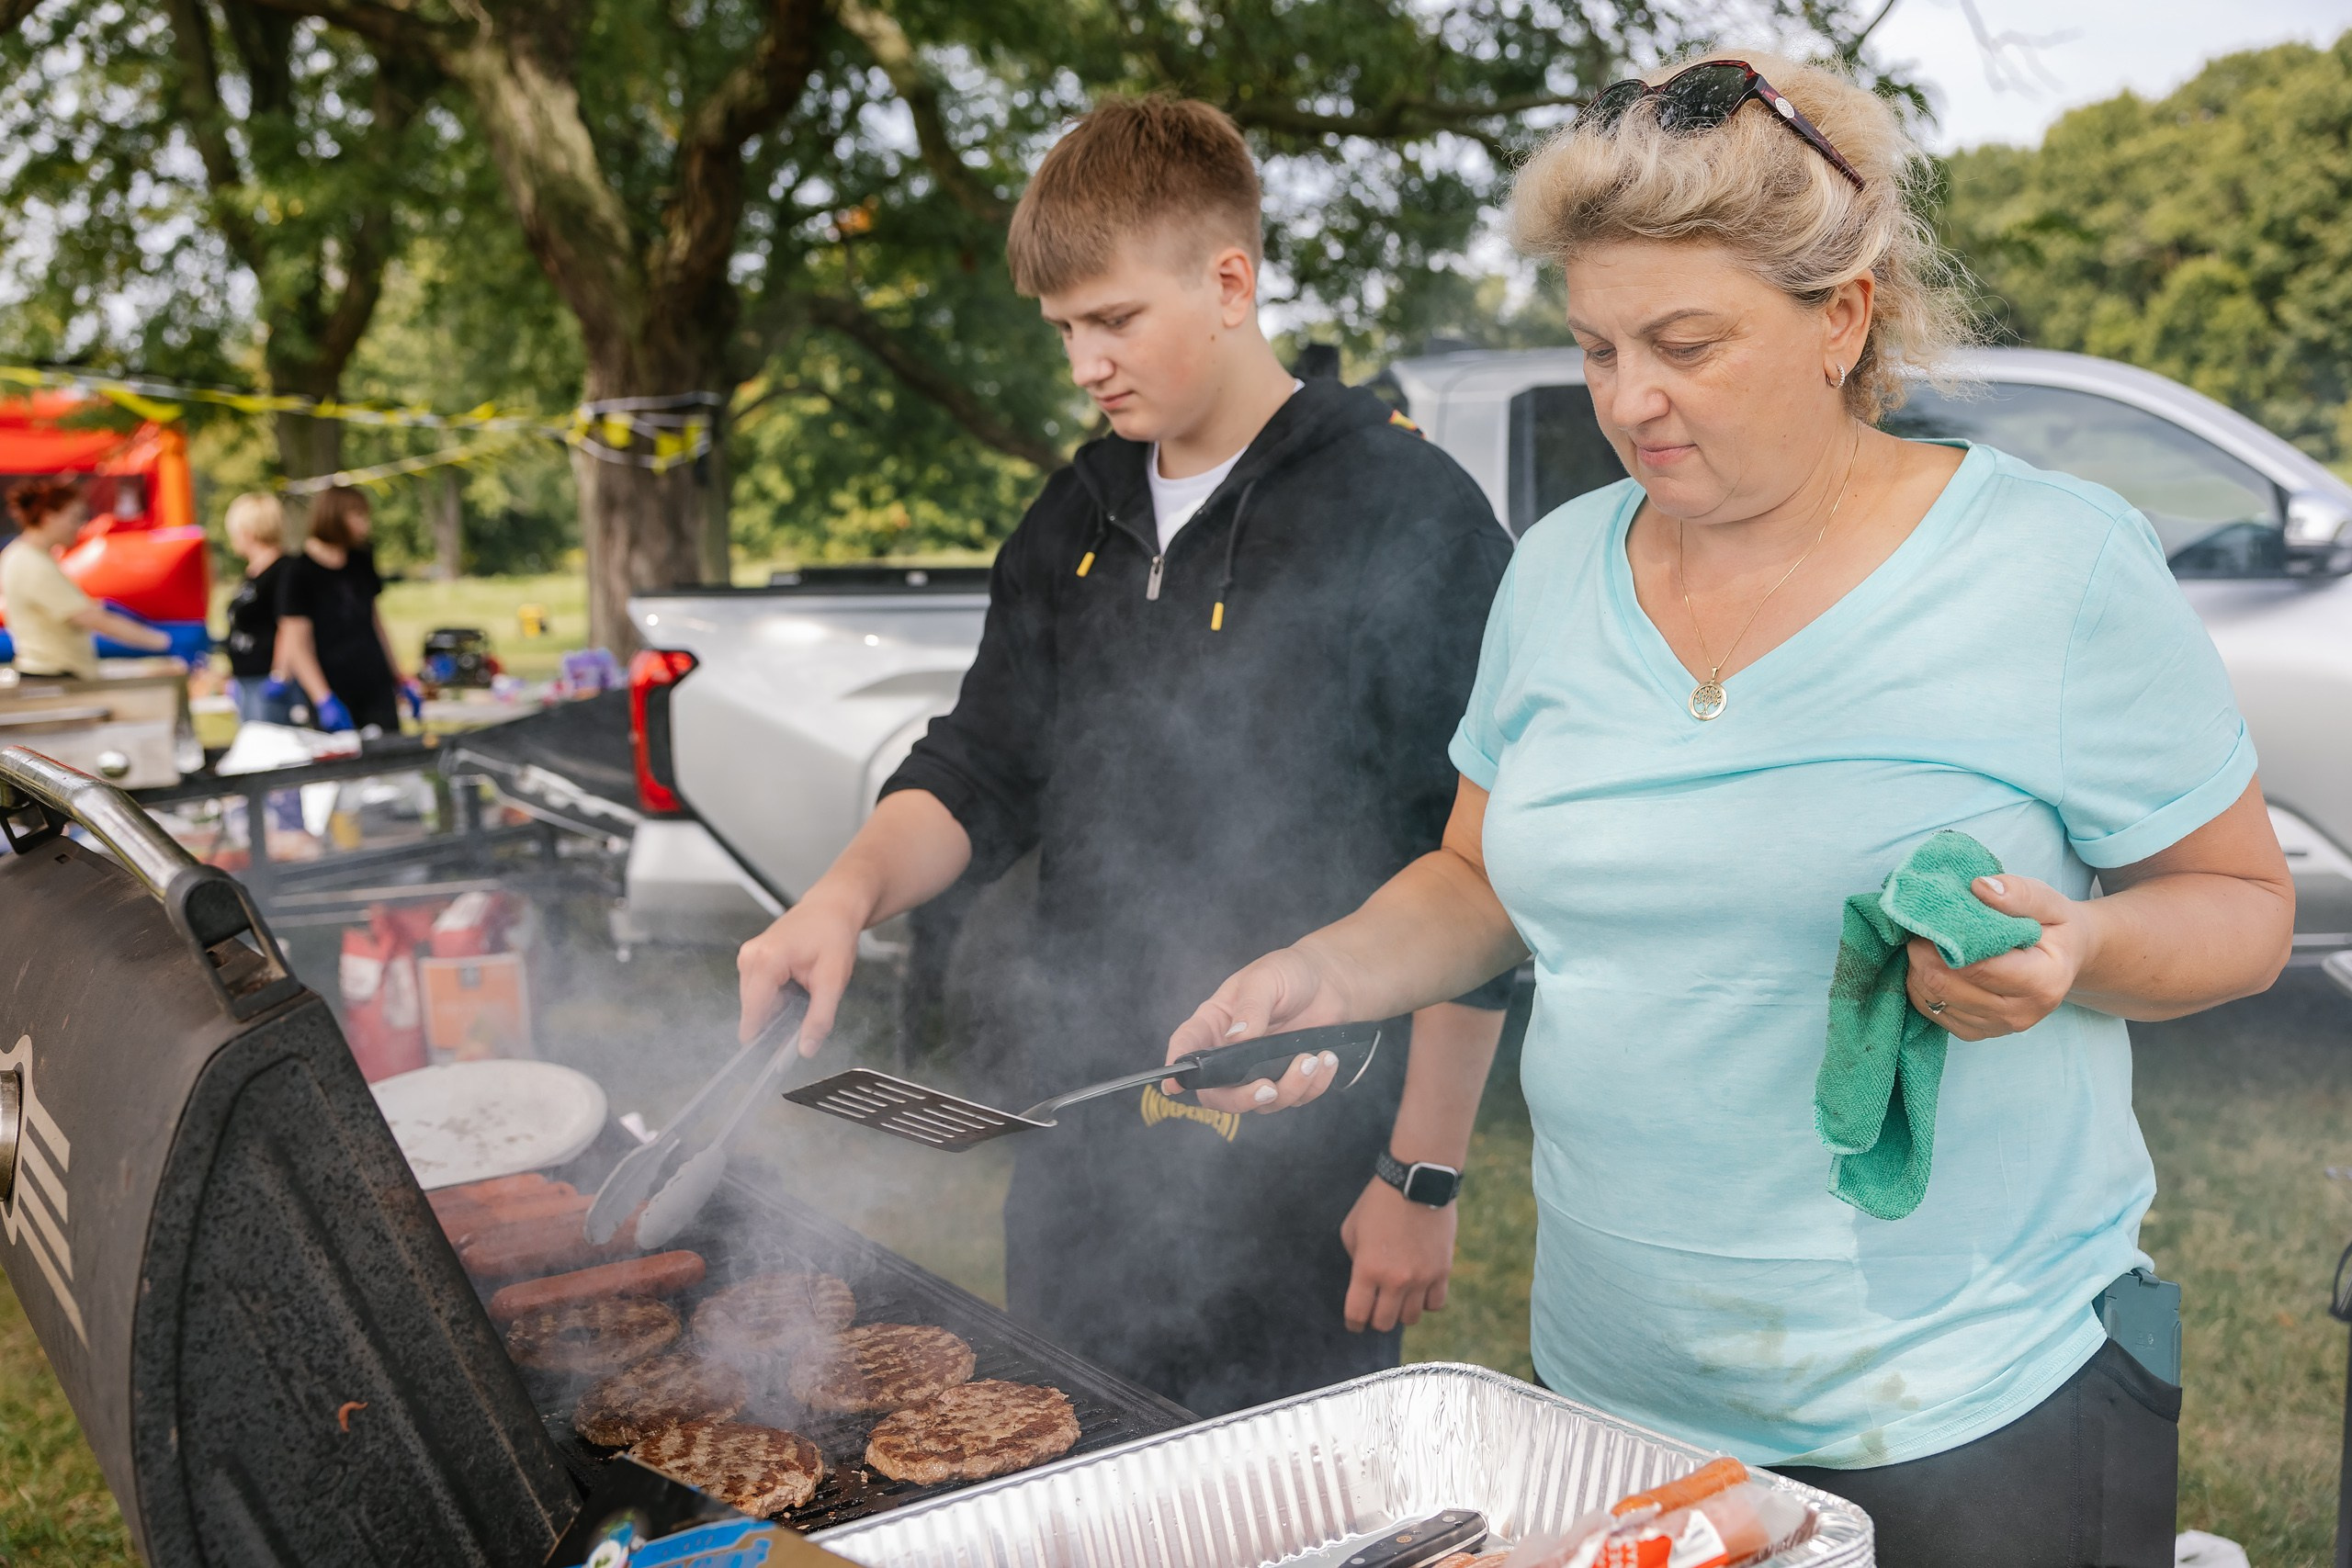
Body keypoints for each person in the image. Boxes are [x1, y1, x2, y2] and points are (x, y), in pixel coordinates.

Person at [1163, 51, 2294, 1568]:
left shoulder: (2055, 565)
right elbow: (1483, 879)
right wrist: (1329, 969)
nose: (1632, 400)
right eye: (1597, 346)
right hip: (1623, 1400)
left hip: (1976, 1400)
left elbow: (2243, 908)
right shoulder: (1559, 569)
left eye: (1687, 345)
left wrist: (2081, 948)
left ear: (1845, 316)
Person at [737, 96, 1515, 1416]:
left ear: (1229, 280)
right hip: (1080, 1143)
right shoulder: (1075, 514)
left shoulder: (1406, 511)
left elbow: (1482, 870)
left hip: (1313, 1164)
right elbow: (978, 764)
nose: (1086, 366)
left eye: (1113, 321)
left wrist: (1421, 1173)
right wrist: (844, 892)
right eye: (1065, 333)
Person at [1, 477, 172, 678]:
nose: (80, 527)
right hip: (54, 675)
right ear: (49, 517)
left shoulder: (26, 556)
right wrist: (164, 641)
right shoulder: (31, 563)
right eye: (74, 518)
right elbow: (91, 619)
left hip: (56, 671)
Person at [277, 486, 410, 733]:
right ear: (335, 517)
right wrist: (322, 698)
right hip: (332, 684)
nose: (365, 525)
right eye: (358, 516)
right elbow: (297, 643)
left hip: (373, 679)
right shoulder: (298, 571)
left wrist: (398, 676)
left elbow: (375, 621)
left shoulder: (361, 559)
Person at [220, 491, 299, 723]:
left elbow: (289, 624)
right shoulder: (252, 573)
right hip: (247, 676)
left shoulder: (284, 571)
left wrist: (280, 674)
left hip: (269, 678)